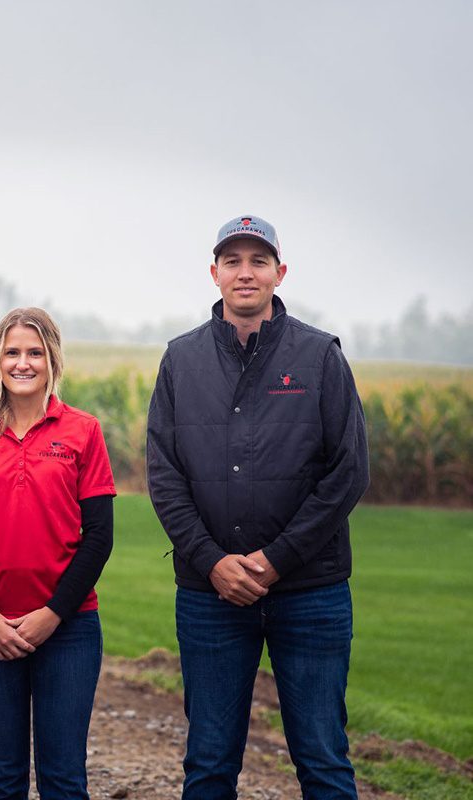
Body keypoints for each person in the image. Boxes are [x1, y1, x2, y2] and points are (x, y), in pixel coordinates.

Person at [146, 215, 370, 799]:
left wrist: (277, 559)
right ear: (215, 273)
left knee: (322, 758)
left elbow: (348, 471)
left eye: (259, 261)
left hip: (311, 593)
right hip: (209, 595)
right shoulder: (180, 360)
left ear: (280, 272)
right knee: (211, 763)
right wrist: (212, 561)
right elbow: (165, 477)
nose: (246, 273)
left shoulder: (320, 356)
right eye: (234, 261)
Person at [0, 307, 116, 800]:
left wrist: (53, 615)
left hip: (69, 629)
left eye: (34, 353)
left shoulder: (83, 431)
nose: (23, 363)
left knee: (63, 781)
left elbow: (99, 536)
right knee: (1, 780)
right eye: (12, 352)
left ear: (52, 359)